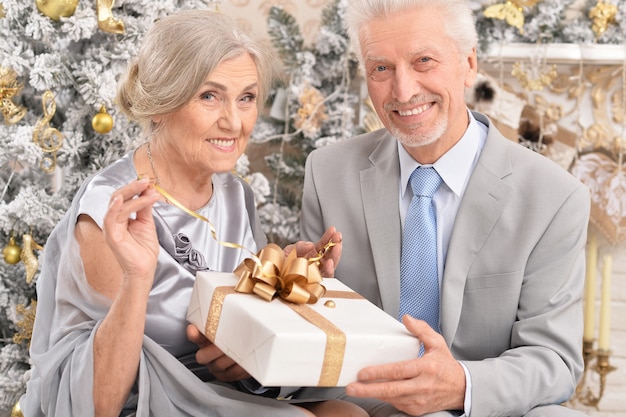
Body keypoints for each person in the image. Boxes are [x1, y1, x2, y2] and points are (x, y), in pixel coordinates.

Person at [19, 9, 367, 417]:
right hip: (143, 401)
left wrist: (287, 278)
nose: (235, 122)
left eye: (247, 98)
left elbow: (237, 327)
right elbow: (95, 404)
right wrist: (137, 277)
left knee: (350, 413)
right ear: (160, 104)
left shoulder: (234, 193)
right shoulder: (112, 211)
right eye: (209, 96)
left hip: (215, 391)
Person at [298, 1, 591, 416]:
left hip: (480, 405)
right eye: (381, 68)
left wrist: (461, 386)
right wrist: (295, 291)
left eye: (424, 61)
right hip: (367, 407)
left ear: (469, 64)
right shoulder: (327, 174)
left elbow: (552, 361)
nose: (403, 91)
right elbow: (306, 342)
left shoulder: (554, 197)